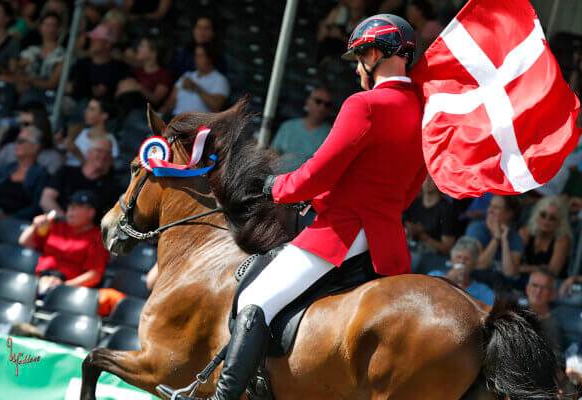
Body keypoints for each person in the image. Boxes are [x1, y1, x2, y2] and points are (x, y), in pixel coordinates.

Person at [159, 14, 426, 400]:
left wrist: (279, 187)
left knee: (255, 300)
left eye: (358, 58)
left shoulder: (364, 104)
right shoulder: (421, 111)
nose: (356, 69)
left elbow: (322, 170)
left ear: (374, 53)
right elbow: (406, 191)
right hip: (386, 244)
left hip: (341, 234)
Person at [19, 190, 110, 295]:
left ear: (91, 213)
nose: (69, 212)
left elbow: (94, 276)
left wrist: (63, 286)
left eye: (75, 208)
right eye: (69, 207)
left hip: (68, 290)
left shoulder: (97, 238)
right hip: (40, 279)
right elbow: (24, 242)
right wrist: (34, 225)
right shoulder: (58, 226)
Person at [40, 136, 118, 218]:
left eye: (107, 153)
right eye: (99, 151)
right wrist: (65, 220)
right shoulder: (66, 172)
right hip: (59, 224)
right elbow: (46, 199)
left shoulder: (112, 188)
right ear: (89, 152)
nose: (103, 156)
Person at [0, 124, 48, 223]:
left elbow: (35, 208)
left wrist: (8, 217)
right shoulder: (7, 167)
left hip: (16, 223)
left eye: (21, 141)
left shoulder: (41, 174)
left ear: (35, 147)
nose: (16, 144)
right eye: (16, 140)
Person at [271, 87, 333, 172]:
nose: (322, 107)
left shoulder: (332, 135)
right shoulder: (288, 127)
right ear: (308, 102)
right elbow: (272, 155)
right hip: (279, 180)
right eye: (318, 101)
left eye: (327, 104)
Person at [0, 103, 62, 176]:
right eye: (20, 124)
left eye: (26, 124)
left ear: (41, 126)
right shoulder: (10, 148)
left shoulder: (52, 157)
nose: (22, 127)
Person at [68, 23, 131, 102]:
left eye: (95, 39)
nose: (91, 42)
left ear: (107, 44)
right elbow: (68, 86)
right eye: (91, 39)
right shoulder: (81, 64)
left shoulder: (120, 69)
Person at [4, 11, 64, 94]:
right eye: (47, 25)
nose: (51, 29)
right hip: (24, 89)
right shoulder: (32, 50)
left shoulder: (62, 55)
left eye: (54, 26)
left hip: (45, 94)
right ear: (40, 27)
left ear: (59, 29)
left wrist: (29, 81)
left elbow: (52, 84)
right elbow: (16, 69)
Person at [161, 43, 229, 115]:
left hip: (201, 124)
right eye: (195, 55)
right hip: (176, 121)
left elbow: (216, 107)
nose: (196, 59)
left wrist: (196, 88)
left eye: (200, 56)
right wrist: (158, 116)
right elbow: (170, 102)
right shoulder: (187, 75)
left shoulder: (220, 80)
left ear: (210, 58)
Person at [465, 195, 522, 278]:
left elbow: (510, 273)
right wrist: (496, 238)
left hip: (501, 286)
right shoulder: (476, 228)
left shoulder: (515, 237)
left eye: (496, 208)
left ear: (509, 214)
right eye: (490, 206)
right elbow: (479, 266)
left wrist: (504, 239)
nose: (489, 210)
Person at [403, 174, 457, 259]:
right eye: (424, 177)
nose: (427, 181)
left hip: (434, 256)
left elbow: (447, 248)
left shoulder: (446, 210)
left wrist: (423, 236)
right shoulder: (414, 203)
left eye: (432, 178)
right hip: (411, 247)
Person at [428, 237, 494, 306]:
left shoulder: (481, 290)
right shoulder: (434, 275)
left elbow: (493, 311)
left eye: (467, 259)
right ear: (451, 260)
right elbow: (422, 296)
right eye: (458, 257)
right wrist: (447, 279)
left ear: (474, 264)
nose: (462, 261)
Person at [519, 196, 572, 280]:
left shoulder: (563, 239)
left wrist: (522, 268)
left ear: (560, 221)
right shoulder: (525, 232)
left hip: (552, 285)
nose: (546, 220)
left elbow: (552, 273)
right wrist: (538, 269)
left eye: (552, 218)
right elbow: (511, 266)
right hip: (524, 281)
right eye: (543, 215)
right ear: (537, 215)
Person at [116, 35, 173, 109]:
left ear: (153, 53)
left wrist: (138, 87)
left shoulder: (164, 75)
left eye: (142, 46)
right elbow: (117, 96)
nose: (138, 48)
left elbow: (156, 100)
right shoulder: (134, 71)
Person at [63, 98, 119, 166]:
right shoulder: (83, 132)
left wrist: (78, 153)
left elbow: (102, 170)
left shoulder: (110, 141)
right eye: (87, 108)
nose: (86, 111)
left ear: (104, 116)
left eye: (92, 109)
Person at [525, 269, 566, 358]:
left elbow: (554, 361)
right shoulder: (514, 313)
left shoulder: (553, 325)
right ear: (527, 289)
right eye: (535, 285)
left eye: (544, 288)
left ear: (553, 294)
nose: (538, 291)